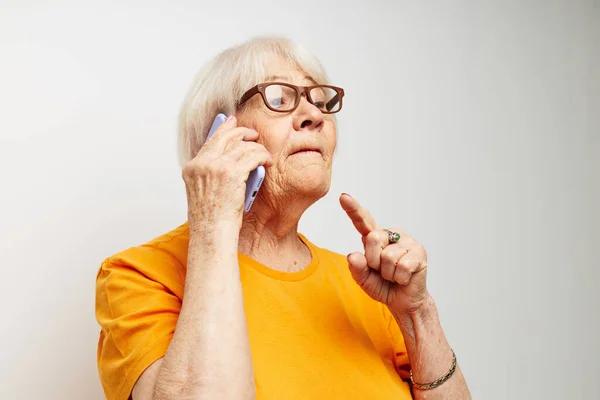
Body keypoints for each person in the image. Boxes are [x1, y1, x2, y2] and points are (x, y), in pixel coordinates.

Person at [95, 36, 471, 400]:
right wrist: (212, 225)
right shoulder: (139, 275)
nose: (314, 116)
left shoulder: (367, 286)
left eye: (320, 100)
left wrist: (419, 314)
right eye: (279, 98)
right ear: (220, 135)